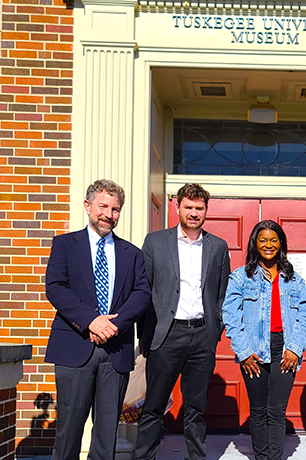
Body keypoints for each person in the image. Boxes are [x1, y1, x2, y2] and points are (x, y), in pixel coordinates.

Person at [45, 179, 151, 460]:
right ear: (87, 206)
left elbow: (141, 294)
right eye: (103, 206)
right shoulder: (65, 244)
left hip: (116, 352)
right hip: (75, 347)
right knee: (68, 431)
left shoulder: (133, 254)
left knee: (107, 434)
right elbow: (55, 287)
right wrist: (92, 321)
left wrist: (112, 325)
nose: (109, 214)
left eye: (116, 209)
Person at [135, 183, 231, 460]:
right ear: (177, 207)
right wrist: (145, 337)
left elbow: (222, 294)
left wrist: (216, 329)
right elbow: (145, 291)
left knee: (196, 408)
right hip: (166, 335)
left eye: (199, 208)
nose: (193, 213)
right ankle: (144, 457)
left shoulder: (217, 247)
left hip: (202, 336)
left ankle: (196, 457)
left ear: (206, 211)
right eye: (188, 207)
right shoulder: (155, 242)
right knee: (153, 404)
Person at [222, 220, 306, 460]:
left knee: (276, 411)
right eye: (263, 240)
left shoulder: (292, 278)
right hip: (252, 349)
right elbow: (230, 316)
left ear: (281, 243)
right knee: (258, 410)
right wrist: (243, 351)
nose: (268, 245)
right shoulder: (241, 278)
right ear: (255, 243)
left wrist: (295, 348)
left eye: (274, 240)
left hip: (284, 349)